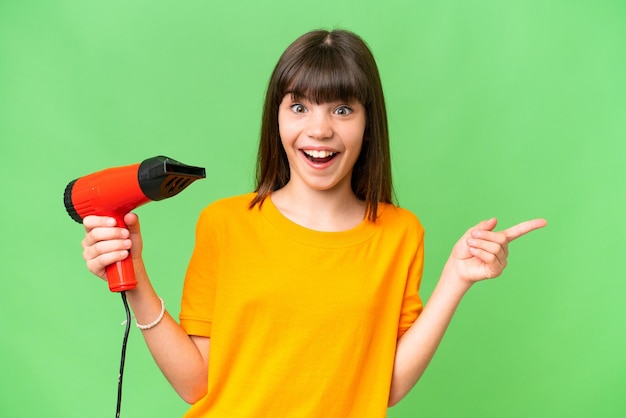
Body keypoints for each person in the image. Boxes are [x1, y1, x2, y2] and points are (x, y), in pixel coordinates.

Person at [80, 29, 547, 417]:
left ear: (368, 122)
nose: (319, 129)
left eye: (342, 109)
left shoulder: (401, 234)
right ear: (277, 118)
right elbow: (194, 383)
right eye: (299, 106)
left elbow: (380, 388)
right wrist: (134, 274)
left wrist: (456, 279)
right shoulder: (224, 223)